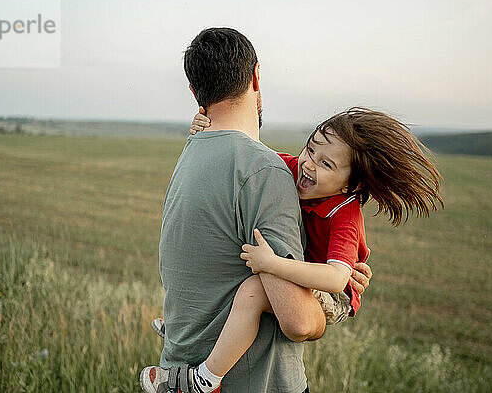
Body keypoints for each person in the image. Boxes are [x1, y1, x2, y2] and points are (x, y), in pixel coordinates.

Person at [140, 27, 372, 393]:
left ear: (195, 93)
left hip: (179, 367)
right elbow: (297, 321)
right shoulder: (264, 171)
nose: (310, 165)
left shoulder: (189, 155)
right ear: (256, 76)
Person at [154, 106, 443, 388]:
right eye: (311, 150)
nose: (309, 163)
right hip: (302, 270)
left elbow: (337, 278)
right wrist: (207, 132)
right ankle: (190, 326)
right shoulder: (292, 167)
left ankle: (206, 378)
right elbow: (245, 157)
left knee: (252, 292)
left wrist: (272, 264)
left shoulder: (345, 214)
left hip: (331, 292)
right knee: (239, 276)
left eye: (326, 164)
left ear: (349, 185)